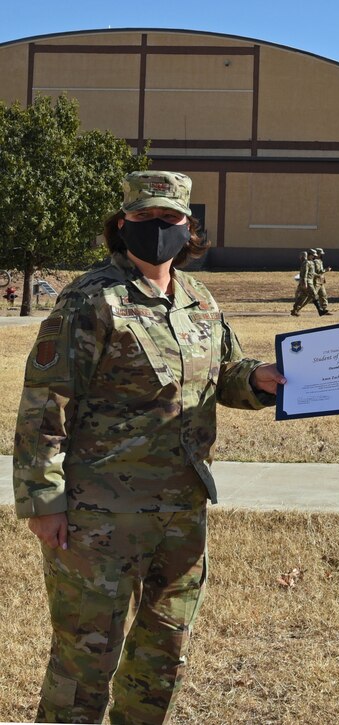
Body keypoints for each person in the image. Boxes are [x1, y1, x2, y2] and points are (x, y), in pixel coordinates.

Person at [12, 170, 285, 724]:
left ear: (188, 226)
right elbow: (47, 401)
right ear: (122, 224)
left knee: (162, 655)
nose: (157, 227)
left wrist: (260, 379)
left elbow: (225, 373)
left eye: (169, 217)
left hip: (181, 510)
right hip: (99, 515)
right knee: (85, 661)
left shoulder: (198, 299)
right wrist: (43, 501)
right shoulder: (91, 298)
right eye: (143, 216)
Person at [290, 249, 324, 316]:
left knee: (302, 296)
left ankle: (294, 310)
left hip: (309, 281)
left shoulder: (311, 262)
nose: (314, 257)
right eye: (313, 255)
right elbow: (304, 274)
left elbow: (311, 273)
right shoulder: (306, 263)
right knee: (314, 295)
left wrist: (318, 275)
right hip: (307, 282)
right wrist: (305, 282)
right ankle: (320, 311)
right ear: (309, 255)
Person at [313, 247, 332, 315]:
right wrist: (326, 270)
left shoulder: (320, 261)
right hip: (316, 281)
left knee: (323, 295)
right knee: (312, 296)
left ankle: (324, 309)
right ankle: (297, 308)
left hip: (321, 281)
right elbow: (318, 271)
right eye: (320, 254)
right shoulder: (315, 262)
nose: (321, 255)